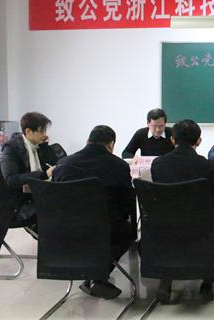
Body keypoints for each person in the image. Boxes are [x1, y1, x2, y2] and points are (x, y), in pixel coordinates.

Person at [151, 119, 214, 303]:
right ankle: (208, 281)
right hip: (202, 229)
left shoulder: (158, 164)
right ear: (199, 141)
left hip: (166, 228)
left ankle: (166, 279)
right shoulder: (209, 166)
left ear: (172, 140)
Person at [53, 125, 135, 300]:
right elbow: (127, 204)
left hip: (67, 228)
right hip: (106, 228)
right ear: (111, 145)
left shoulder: (63, 164)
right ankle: (98, 277)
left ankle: (92, 276)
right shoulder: (118, 166)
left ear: (88, 141)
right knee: (128, 232)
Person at [0, 112, 59, 229]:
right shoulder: (11, 149)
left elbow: (54, 163)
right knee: (56, 212)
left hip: (39, 194)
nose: (45, 134)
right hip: (18, 201)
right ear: (28, 131)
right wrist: (43, 175)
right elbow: (11, 179)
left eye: (45, 131)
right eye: (41, 131)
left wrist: (45, 146)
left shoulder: (38, 145)